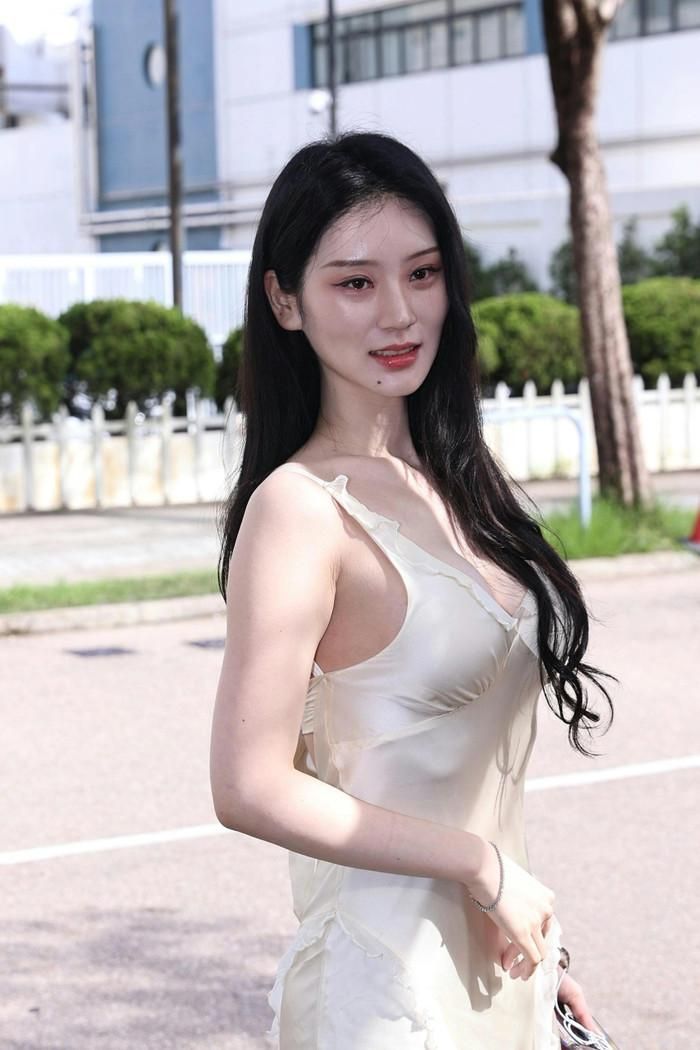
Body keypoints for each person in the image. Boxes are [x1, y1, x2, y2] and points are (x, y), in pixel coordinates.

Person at [210, 131, 615, 1049]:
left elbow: (476, 777)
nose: (399, 313)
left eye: (423, 274)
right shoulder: (299, 509)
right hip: (384, 997)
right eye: (356, 283)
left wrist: (547, 948)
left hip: (501, 971)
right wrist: (480, 867)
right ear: (284, 300)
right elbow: (247, 785)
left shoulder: (456, 480)